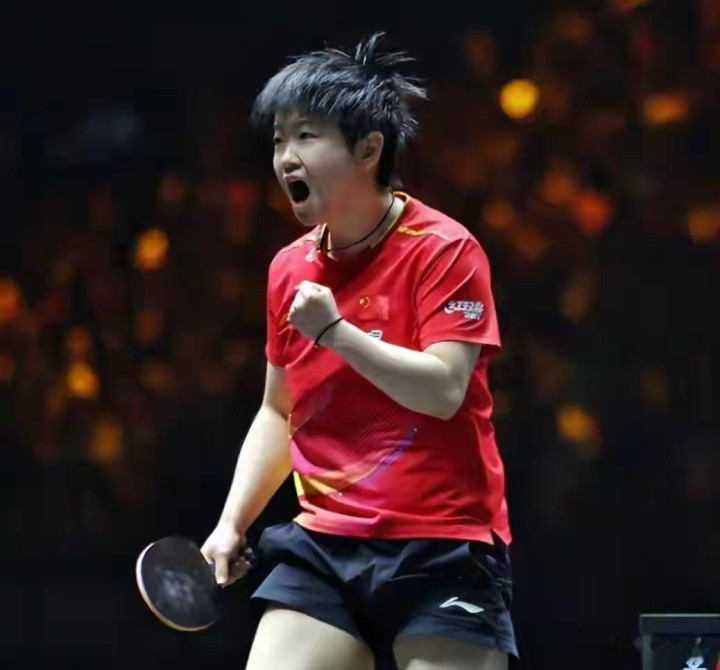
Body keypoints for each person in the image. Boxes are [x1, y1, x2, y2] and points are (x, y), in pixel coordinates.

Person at [201, 33, 518, 670]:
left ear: (369, 149)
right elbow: (278, 410)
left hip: (441, 545)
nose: (286, 157)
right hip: (325, 545)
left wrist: (337, 333)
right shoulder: (289, 270)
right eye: (278, 140)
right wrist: (234, 520)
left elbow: (444, 390)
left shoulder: (444, 251)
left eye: (306, 136)